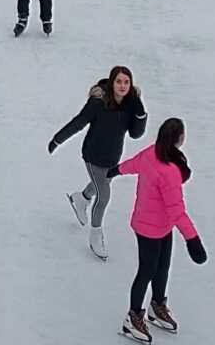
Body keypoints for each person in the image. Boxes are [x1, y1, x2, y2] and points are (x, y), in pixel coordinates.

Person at [114, 117, 205, 344]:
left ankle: (157, 305)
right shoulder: (169, 170)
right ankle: (133, 317)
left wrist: (116, 170)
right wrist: (193, 239)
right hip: (148, 228)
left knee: (163, 266)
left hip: (161, 224)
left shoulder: (154, 152)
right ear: (178, 139)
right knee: (147, 270)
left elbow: (133, 164)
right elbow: (177, 211)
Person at [50, 65, 147, 261]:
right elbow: (78, 122)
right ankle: (95, 234)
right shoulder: (98, 103)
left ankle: (81, 198)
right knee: (103, 195)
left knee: (99, 184)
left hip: (113, 157)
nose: (122, 85)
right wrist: (57, 140)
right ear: (112, 83)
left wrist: (140, 113)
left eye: (126, 82)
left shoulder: (130, 106)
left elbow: (136, 134)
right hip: (93, 155)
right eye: (118, 81)